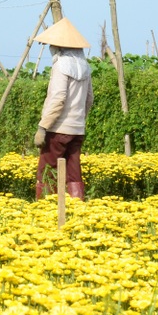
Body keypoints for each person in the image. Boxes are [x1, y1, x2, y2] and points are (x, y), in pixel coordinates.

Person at [32, 17, 93, 200]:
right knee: (73, 172)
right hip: (77, 129)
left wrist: (43, 127)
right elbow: (89, 99)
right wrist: (79, 120)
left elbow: (58, 98)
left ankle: (47, 208)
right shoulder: (85, 67)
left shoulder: (61, 66)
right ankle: (77, 207)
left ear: (58, 47)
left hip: (57, 129)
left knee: (47, 172)